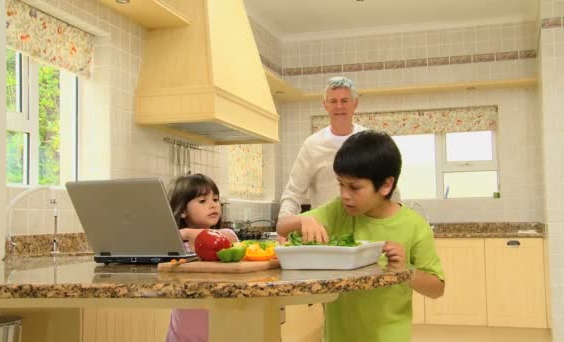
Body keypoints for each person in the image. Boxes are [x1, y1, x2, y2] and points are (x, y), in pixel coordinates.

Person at [277, 130, 445, 342]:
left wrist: (406, 271)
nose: (345, 195)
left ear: (385, 185)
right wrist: (303, 220)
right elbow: (282, 227)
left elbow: (437, 288)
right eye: (341, 184)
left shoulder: (414, 225)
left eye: (355, 187)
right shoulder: (338, 211)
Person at [278, 76, 400, 218]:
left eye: (344, 100)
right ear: (325, 105)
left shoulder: (370, 141)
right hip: (326, 231)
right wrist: (284, 222)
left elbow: (391, 191)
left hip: (368, 229)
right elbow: (293, 192)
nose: (339, 106)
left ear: (355, 103)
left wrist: (398, 222)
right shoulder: (312, 145)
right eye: (333, 101)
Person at [166, 173, 238, 342]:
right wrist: (181, 235)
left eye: (215, 199)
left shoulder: (226, 236)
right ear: (183, 211)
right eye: (203, 201)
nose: (213, 205)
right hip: (182, 334)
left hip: (221, 331)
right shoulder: (176, 245)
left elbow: (229, 238)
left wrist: (189, 233)